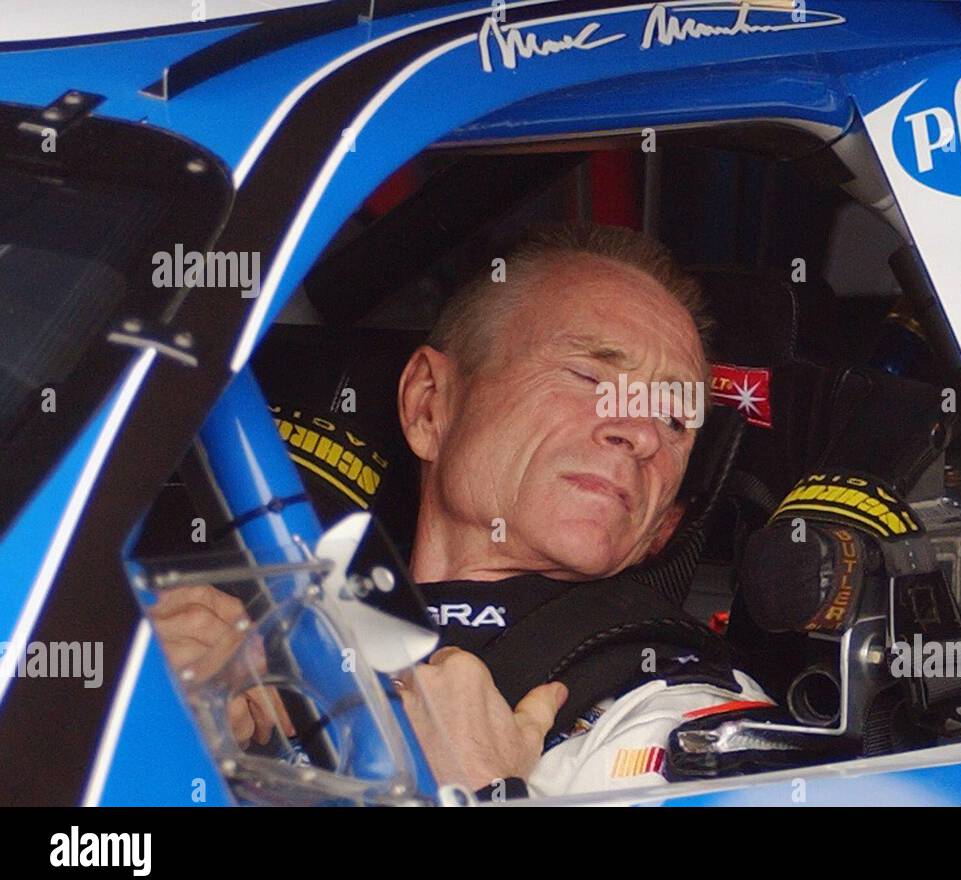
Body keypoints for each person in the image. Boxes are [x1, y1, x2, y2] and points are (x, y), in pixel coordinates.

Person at [154, 222, 772, 800]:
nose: (641, 433)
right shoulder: (270, 650)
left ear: (662, 526)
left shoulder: (682, 718)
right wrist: (154, 732)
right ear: (429, 405)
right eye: (588, 375)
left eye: (673, 418)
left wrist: (481, 788)